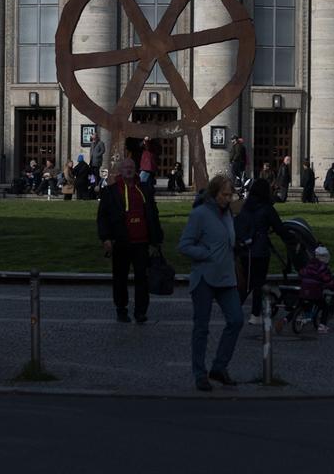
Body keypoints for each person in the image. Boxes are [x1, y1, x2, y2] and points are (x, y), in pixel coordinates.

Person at [178, 174, 244, 391]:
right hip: (205, 277)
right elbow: (184, 245)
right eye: (224, 195)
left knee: (236, 320)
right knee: (201, 328)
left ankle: (219, 366)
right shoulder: (200, 214)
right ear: (214, 193)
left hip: (226, 277)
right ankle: (199, 373)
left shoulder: (228, 215)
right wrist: (205, 253)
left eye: (230, 194)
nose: (228, 198)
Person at [97, 158, 163, 323]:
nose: (129, 170)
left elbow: (153, 215)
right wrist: (105, 238)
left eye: (131, 167)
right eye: (126, 167)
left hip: (141, 242)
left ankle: (140, 311)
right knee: (120, 278)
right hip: (121, 241)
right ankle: (121, 309)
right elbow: (102, 217)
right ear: (121, 169)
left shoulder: (145, 189)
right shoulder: (111, 191)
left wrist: (157, 238)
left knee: (142, 278)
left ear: (135, 169)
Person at [236, 175, 291, 324]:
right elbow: (279, 228)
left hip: (245, 249)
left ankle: (234, 308)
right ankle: (255, 314)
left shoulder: (246, 207)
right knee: (258, 283)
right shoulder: (267, 208)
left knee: (247, 283)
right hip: (260, 250)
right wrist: (290, 239)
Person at [295, 245, 334, 333]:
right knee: (325, 307)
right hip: (315, 292)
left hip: (304, 290)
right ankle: (322, 326)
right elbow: (328, 281)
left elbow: (301, 273)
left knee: (303, 303)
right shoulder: (323, 268)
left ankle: (301, 316)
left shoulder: (309, 265)